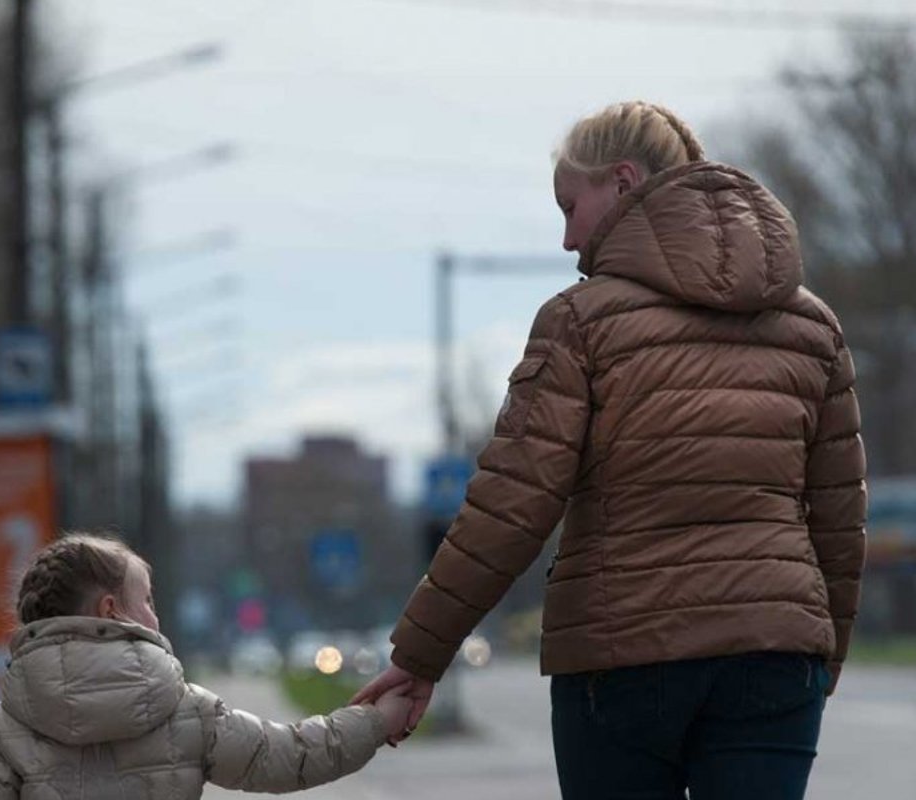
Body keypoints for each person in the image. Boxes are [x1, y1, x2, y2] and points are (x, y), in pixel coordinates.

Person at [354, 100, 867, 799]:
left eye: (570, 205)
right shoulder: (814, 328)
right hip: (775, 658)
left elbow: (510, 506)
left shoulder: (578, 324)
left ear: (623, 182)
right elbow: (838, 517)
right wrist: (817, 655)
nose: (568, 239)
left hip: (623, 659)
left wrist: (420, 654)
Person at [0, 533, 411, 799]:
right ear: (112, 609)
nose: (155, 617)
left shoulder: (4, 729)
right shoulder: (183, 709)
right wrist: (374, 721)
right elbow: (290, 756)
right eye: (148, 600)